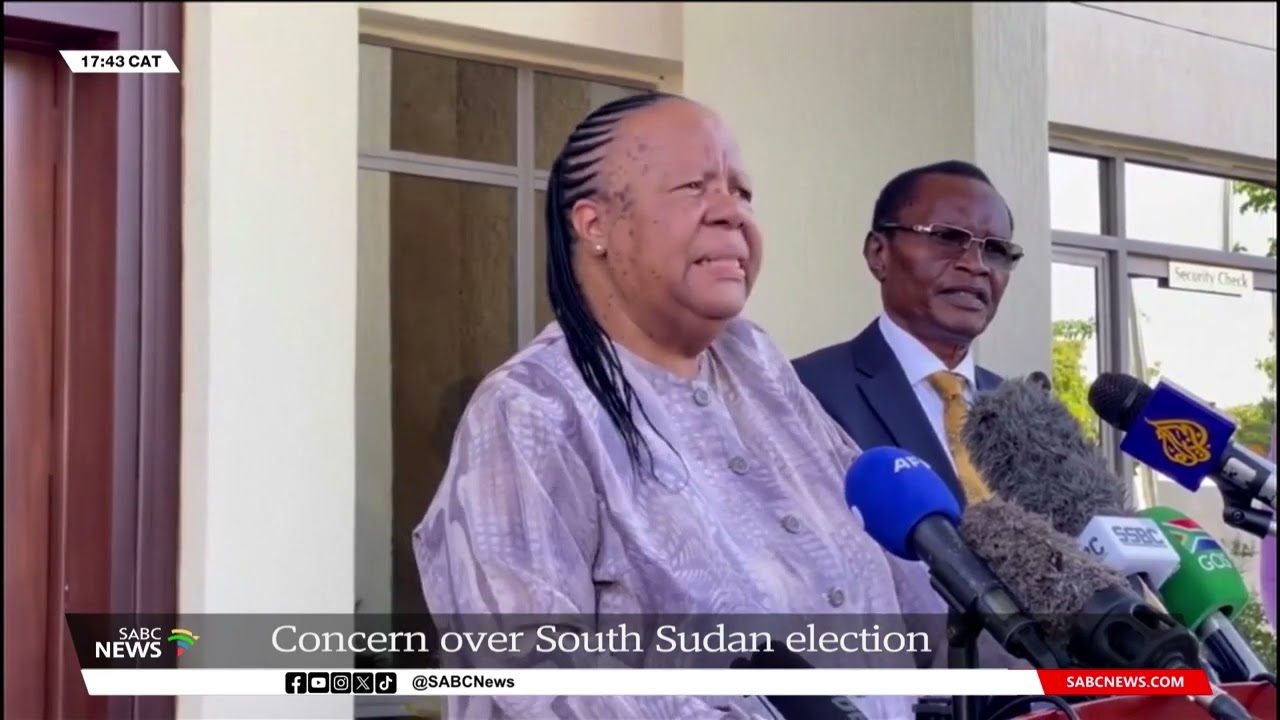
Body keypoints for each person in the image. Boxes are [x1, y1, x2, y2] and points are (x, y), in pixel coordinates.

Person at [412, 94, 996, 719]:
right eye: (694, 186)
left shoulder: (763, 372)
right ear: (594, 224)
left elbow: (912, 595)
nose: (732, 214)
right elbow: (526, 678)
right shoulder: (530, 409)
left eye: (743, 193)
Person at [793, 161, 1021, 507]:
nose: (976, 265)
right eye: (947, 237)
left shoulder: (1025, 414)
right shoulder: (805, 391)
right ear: (879, 253)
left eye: (995, 250)